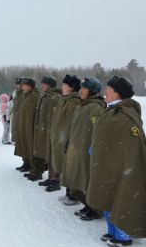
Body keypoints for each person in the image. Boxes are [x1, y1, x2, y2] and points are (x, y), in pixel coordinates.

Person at [87, 76, 146, 247]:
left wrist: (126, 164)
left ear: (118, 94)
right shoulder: (111, 111)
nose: (106, 92)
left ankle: (124, 235)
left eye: (110, 90)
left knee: (123, 198)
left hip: (124, 168)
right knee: (108, 195)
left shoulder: (125, 115)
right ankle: (112, 230)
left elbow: (132, 146)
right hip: (109, 165)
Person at [61, 77, 105, 218]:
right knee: (79, 179)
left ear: (92, 91)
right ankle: (88, 205)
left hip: (87, 150)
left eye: (85, 88)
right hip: (77, 147)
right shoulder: (83, 105)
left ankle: (95, 210)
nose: (81, 91)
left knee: (87, 180)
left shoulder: (96, 107)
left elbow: (97, 131)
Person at [47, 75, 81, 193]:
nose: (62, 87)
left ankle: (71, 192)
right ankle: (65, 189)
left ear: (72, 88)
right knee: (59, 162)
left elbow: (72, 123)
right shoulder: (63, 100)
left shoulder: (74, 102)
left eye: (65, 85)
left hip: (65, 139)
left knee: (67, 165)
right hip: (58, 138)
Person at [33, 76, 60, 185]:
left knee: (53, 154)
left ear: (49, 85)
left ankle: (56, 179)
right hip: (45, 129)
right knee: (48, 154)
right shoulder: (46, 96)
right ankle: (51, 177)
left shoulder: (55, 97)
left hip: (52, 130)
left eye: (44, 83)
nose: (42, 85)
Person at [16, 78, 41, 181]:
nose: (22, 87)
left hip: (31, 127)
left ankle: (35, 170)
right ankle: (29, 166)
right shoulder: (27, 96)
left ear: (30, 86)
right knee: (26, 146)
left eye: (24, 85)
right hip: (25, 126)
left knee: (32, 148)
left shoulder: (35, 96)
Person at [12, 77, 29, 172]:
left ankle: (27, 163)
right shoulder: (17, 93)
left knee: (24, 143)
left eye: (19, 84)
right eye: (17, 84)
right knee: (20, 143)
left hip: (22, 120)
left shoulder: (23, 94)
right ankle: (25, 161)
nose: (18, 86)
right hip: (17, 119)